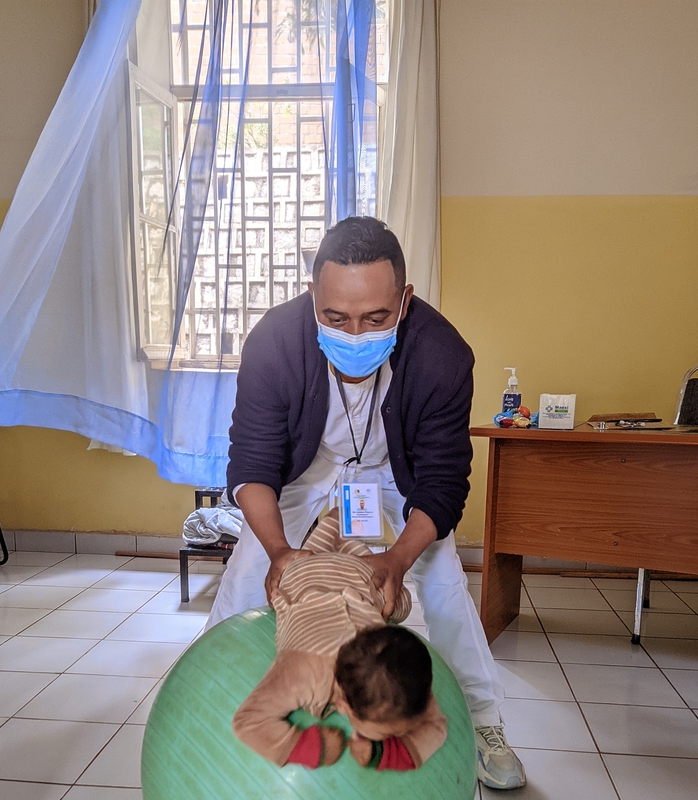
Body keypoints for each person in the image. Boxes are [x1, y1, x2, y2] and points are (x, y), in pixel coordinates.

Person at [206, 216, 526, 790]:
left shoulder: (443, 356)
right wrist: (279, 551)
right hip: (310, 472)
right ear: (313, 298)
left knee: (442, 588)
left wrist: (398, 561)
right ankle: (211, 702)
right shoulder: (275, 342)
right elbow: (251, 465)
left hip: (394, 476)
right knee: (248, 571)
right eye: (336, 318)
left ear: (404, 300)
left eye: (376, 318)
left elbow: (443, 482)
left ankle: (483, 724)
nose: (355, 334)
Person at [232, 511, 447, 770]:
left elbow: (435, 726)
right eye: (385, 735)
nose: (395, 737)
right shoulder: (303, 670)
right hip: (303, 573)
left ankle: (336, 524)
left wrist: (383, 753)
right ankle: (337, 525)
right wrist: (312, 748)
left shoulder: (405, 681)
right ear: (343, 705)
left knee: (391, 602)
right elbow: (248, 722)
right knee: (395, 605)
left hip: (363, 575)